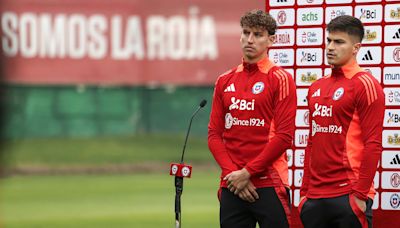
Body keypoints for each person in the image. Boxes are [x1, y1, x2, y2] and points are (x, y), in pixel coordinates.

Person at [208, 9, 296, 228]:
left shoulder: (280, 79)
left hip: (269, 182)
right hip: (232, 184)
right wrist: (233, 175)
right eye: (246, 33)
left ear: (271, 40)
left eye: (257, 34)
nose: (249, 39)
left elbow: (284, 137)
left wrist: (246, 173)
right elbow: (214, 135)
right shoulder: (224, 80)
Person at [299, 15, 385, 228]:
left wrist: (360, 194)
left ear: (356, 47)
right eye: (328, 40)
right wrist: (304, 193)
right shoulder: (316, 86)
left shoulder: (365, 84)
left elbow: (373, 144)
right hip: (315, 197)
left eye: (338, 42)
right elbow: (312, 141)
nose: (330, 47)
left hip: (348, 194)